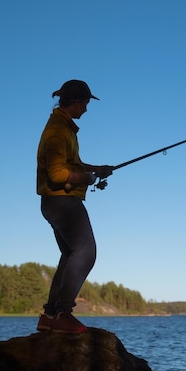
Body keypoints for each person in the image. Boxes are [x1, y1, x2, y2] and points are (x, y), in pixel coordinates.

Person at [35, 79, 113, 334]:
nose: (87, 110)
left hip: (54, 203)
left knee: (70, 255)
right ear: (78, 102)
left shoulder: (62, 127)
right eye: (86, 104)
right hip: (62, 202)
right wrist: (87, 178)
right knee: (86, 252)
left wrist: (96, 169)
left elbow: (70, 164)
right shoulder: (58, 130)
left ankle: (49, 316)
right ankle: (63, 314)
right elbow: (58, 175)